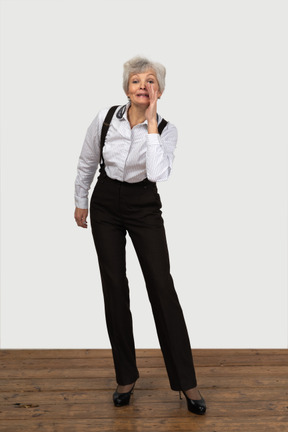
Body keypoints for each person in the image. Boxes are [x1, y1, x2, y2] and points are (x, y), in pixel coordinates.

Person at [74, 56, 206, 415]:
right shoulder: (104, 119)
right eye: (136, 81)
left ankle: (186, 383)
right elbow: (87, 161)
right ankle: (125, 376)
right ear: (126, 88)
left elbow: (158, 172)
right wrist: (80, 201)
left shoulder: (166, 128)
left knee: (161, 286)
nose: (142, 86)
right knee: (114, 286)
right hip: (104, 203)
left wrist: (150, 127)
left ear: (158, 91)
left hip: (143, 204)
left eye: (150, 81)